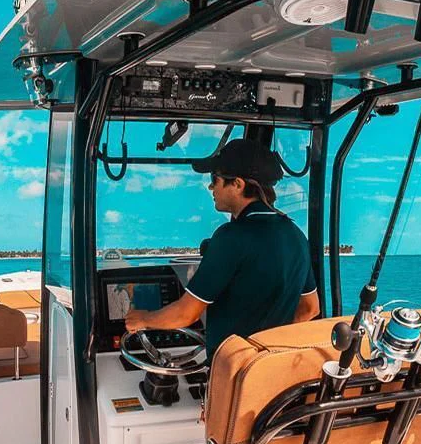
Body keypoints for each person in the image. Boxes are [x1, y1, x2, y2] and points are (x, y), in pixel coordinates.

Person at [124, 138, 321, 354]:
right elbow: (310, 308)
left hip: (232, 376)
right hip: (271, 374)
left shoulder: (231, 237)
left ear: (237, 184)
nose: (210, 186)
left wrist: (143, 319)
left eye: (215, 179)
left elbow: (186, 314)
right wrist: (267, 348)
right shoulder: (296, 236)